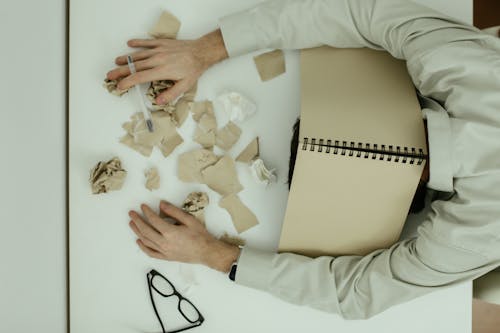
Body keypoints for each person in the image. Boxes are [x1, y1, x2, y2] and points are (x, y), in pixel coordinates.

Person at [106, 0, 500, 319]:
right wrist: (208, 49)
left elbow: (361, 292)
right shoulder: (477, 75)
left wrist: (216, 255)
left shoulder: (480, 231)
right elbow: (363, 13)